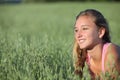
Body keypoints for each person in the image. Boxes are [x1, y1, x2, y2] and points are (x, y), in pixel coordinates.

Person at [73, 9, 120, 79]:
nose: (78, 35)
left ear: (100, 32)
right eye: (76, 30)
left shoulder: (112, 54)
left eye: (85, 28)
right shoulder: (82, 55)